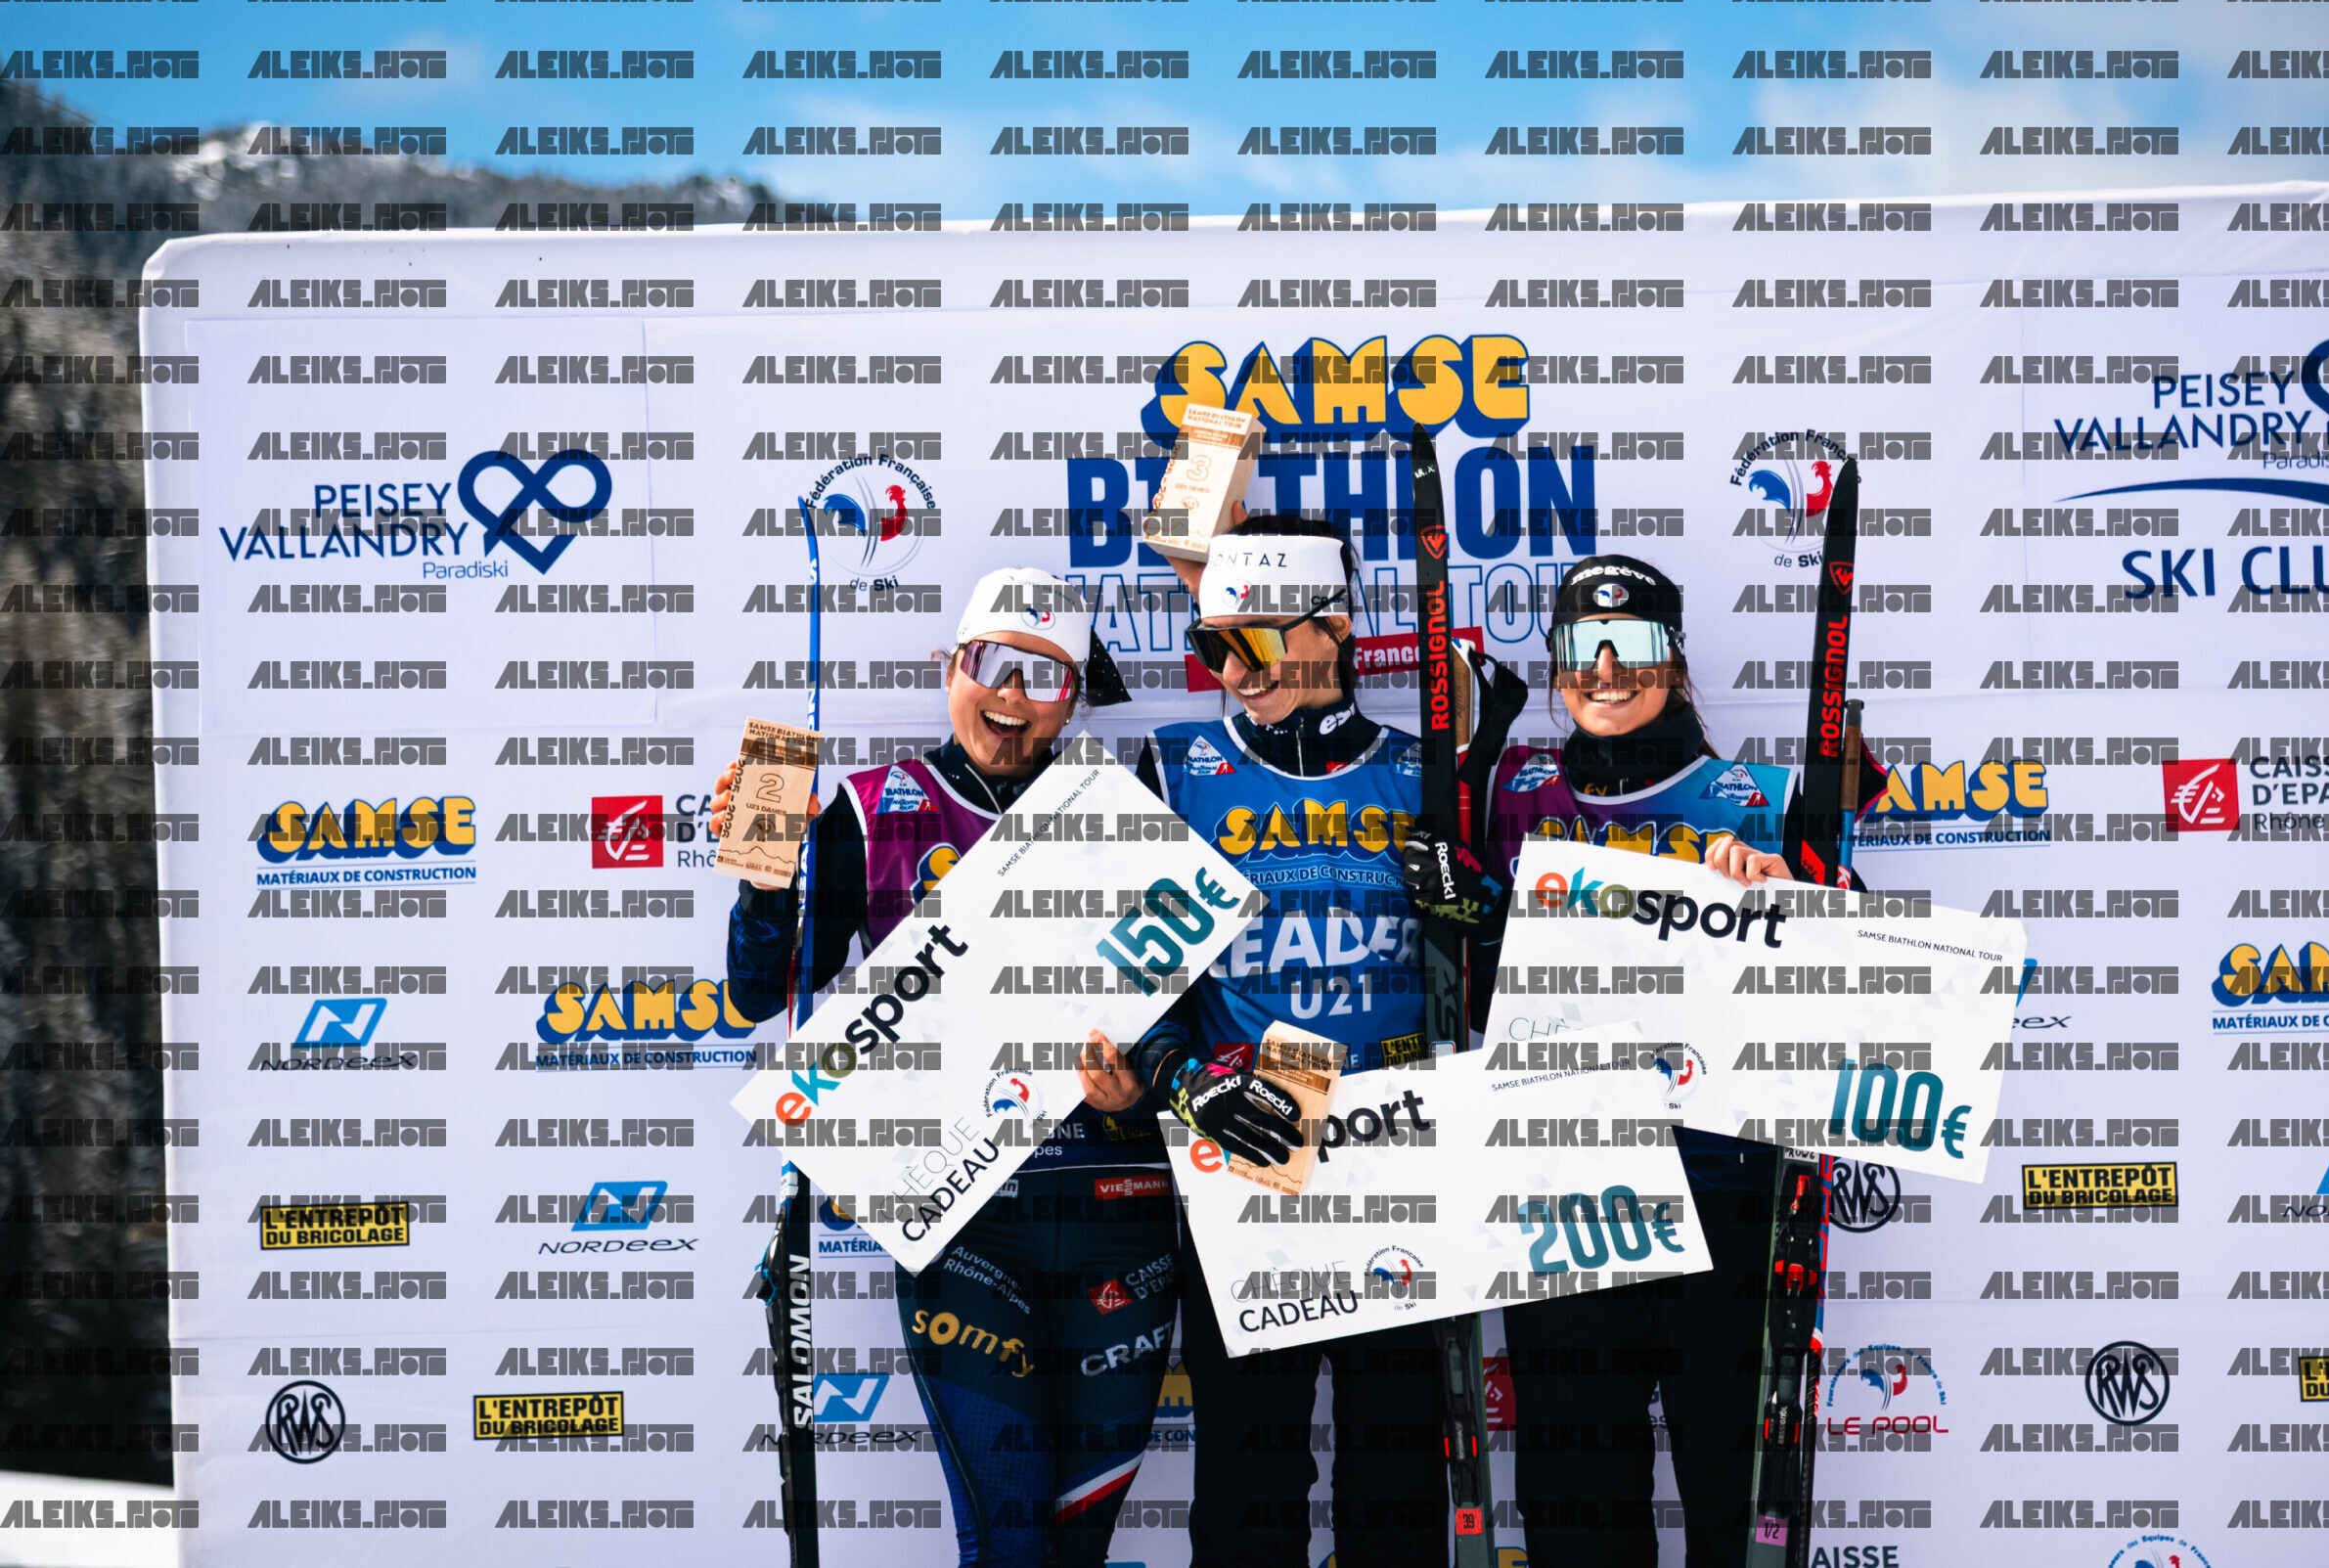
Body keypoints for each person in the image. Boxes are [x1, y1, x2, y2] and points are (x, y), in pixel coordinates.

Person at [1398, 552, 1865, 1568]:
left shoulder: (1761, 797)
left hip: (1725, 1188)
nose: (1606, 669)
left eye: (1635, 643)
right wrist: (1470, 910)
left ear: (1677, 660)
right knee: (1579, 1512)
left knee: (1734, 1497)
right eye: (1581, 647)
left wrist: (1795, 899)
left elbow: (1869, 988)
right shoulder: (1509, 793)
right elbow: (1471, 980)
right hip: (1563, 1191)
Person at [716, 565, 1178, 1568]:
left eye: (1043, 676)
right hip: (966, 1221)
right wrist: (763, 880)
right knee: (1008, 1537)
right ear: (950, 665)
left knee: (1081, 1545)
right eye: (991, 663)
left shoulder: (1122, 804)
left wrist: (1143, 1080)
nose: (1010, 696)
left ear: (1072, 699)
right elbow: (758, 993)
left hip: (1121, 1211)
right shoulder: (870, 810)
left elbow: (1181, 1004)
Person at [1115, 514, 1451, 1568]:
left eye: (1255, 642)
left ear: (1336, 627)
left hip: (1398, 1147)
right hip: (1251, 1142)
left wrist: (1478, 910)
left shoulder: (1426, 770)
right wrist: (1181, 1076)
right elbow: (1123, 973)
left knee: (1397, 1484)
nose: (1232, 672)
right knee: (1249, 1491)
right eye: (1213, 646)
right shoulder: (1175, 766)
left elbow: (1505, 973)